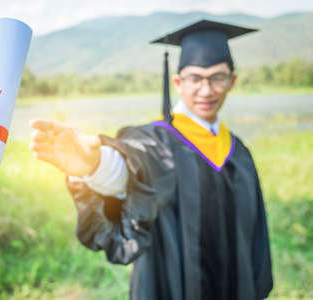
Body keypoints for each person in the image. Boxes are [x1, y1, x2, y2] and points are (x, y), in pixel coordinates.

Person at [30, 20, 273, 300]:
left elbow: (255, 235)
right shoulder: (156, 141)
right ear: (178, 82)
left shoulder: (238, 152)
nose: (206, 91)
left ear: (233, 81)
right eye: (195, 78)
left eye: (217, 77)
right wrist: (93, 163)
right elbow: (134, 169)